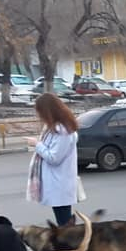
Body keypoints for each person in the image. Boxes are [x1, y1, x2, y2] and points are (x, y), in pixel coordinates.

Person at [27, 93, 82, 226]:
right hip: (56, 182)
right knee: (64, 222)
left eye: (40, 112)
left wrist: (37, 144)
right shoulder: (53, 128)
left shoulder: (63, 131)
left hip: (59, 184)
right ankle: (70, 244)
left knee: (64, 224)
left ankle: (71, 246)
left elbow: (54, 158)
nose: (39, 116)